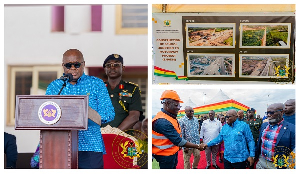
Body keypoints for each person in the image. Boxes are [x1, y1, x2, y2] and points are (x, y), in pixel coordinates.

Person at [44, 49, 115, 169]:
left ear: (83, 64)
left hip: (90, 146)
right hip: (61, 146)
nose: (73, 68)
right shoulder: (55, 86)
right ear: (63, 66)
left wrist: (85, 112)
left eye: (77, 64)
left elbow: (109, 114)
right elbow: (47, 116)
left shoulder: (96, 84)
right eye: (68, 65)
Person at [152, 90, 204, 169]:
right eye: (177, 105)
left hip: (173, 151)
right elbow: (178, 140)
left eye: (179, 106)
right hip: (165, 155)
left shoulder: (170, 117)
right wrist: (197, 146)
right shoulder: (162, 121)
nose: (179, 108)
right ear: (167, 104)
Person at [101, 54, 143, 131]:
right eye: (109, 65)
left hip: (123, 138)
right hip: (100, 136)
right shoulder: (98, 88)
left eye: (116, 65)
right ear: (105, 69)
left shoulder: (132, 89)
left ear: (123, 68)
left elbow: (134, 116)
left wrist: (116, 133)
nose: (112, 67)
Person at [255, 103, 295, 169]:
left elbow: (294, 151)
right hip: (261, 161)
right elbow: (260, 143)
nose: (268, 115)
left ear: (282, 112)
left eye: (271, 113)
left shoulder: (292, 129)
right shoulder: (264, 125)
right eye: (267, 113)